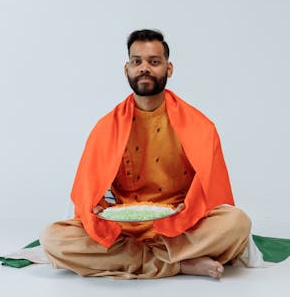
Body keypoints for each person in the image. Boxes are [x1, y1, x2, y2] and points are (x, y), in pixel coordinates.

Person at [40, 29, 251, 280]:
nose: (144, 68)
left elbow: (212, 192)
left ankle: (140, 259)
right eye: (136, 61)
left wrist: (191, 207)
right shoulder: (107, 127)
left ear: (168, 69)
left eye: (154, 62)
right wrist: (97, 206)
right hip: (124, 227)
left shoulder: (199, 125)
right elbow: (90, 191)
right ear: (126, 69)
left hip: (180, 224)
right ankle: (178, 263)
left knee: (237, 223)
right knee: (53, 238)